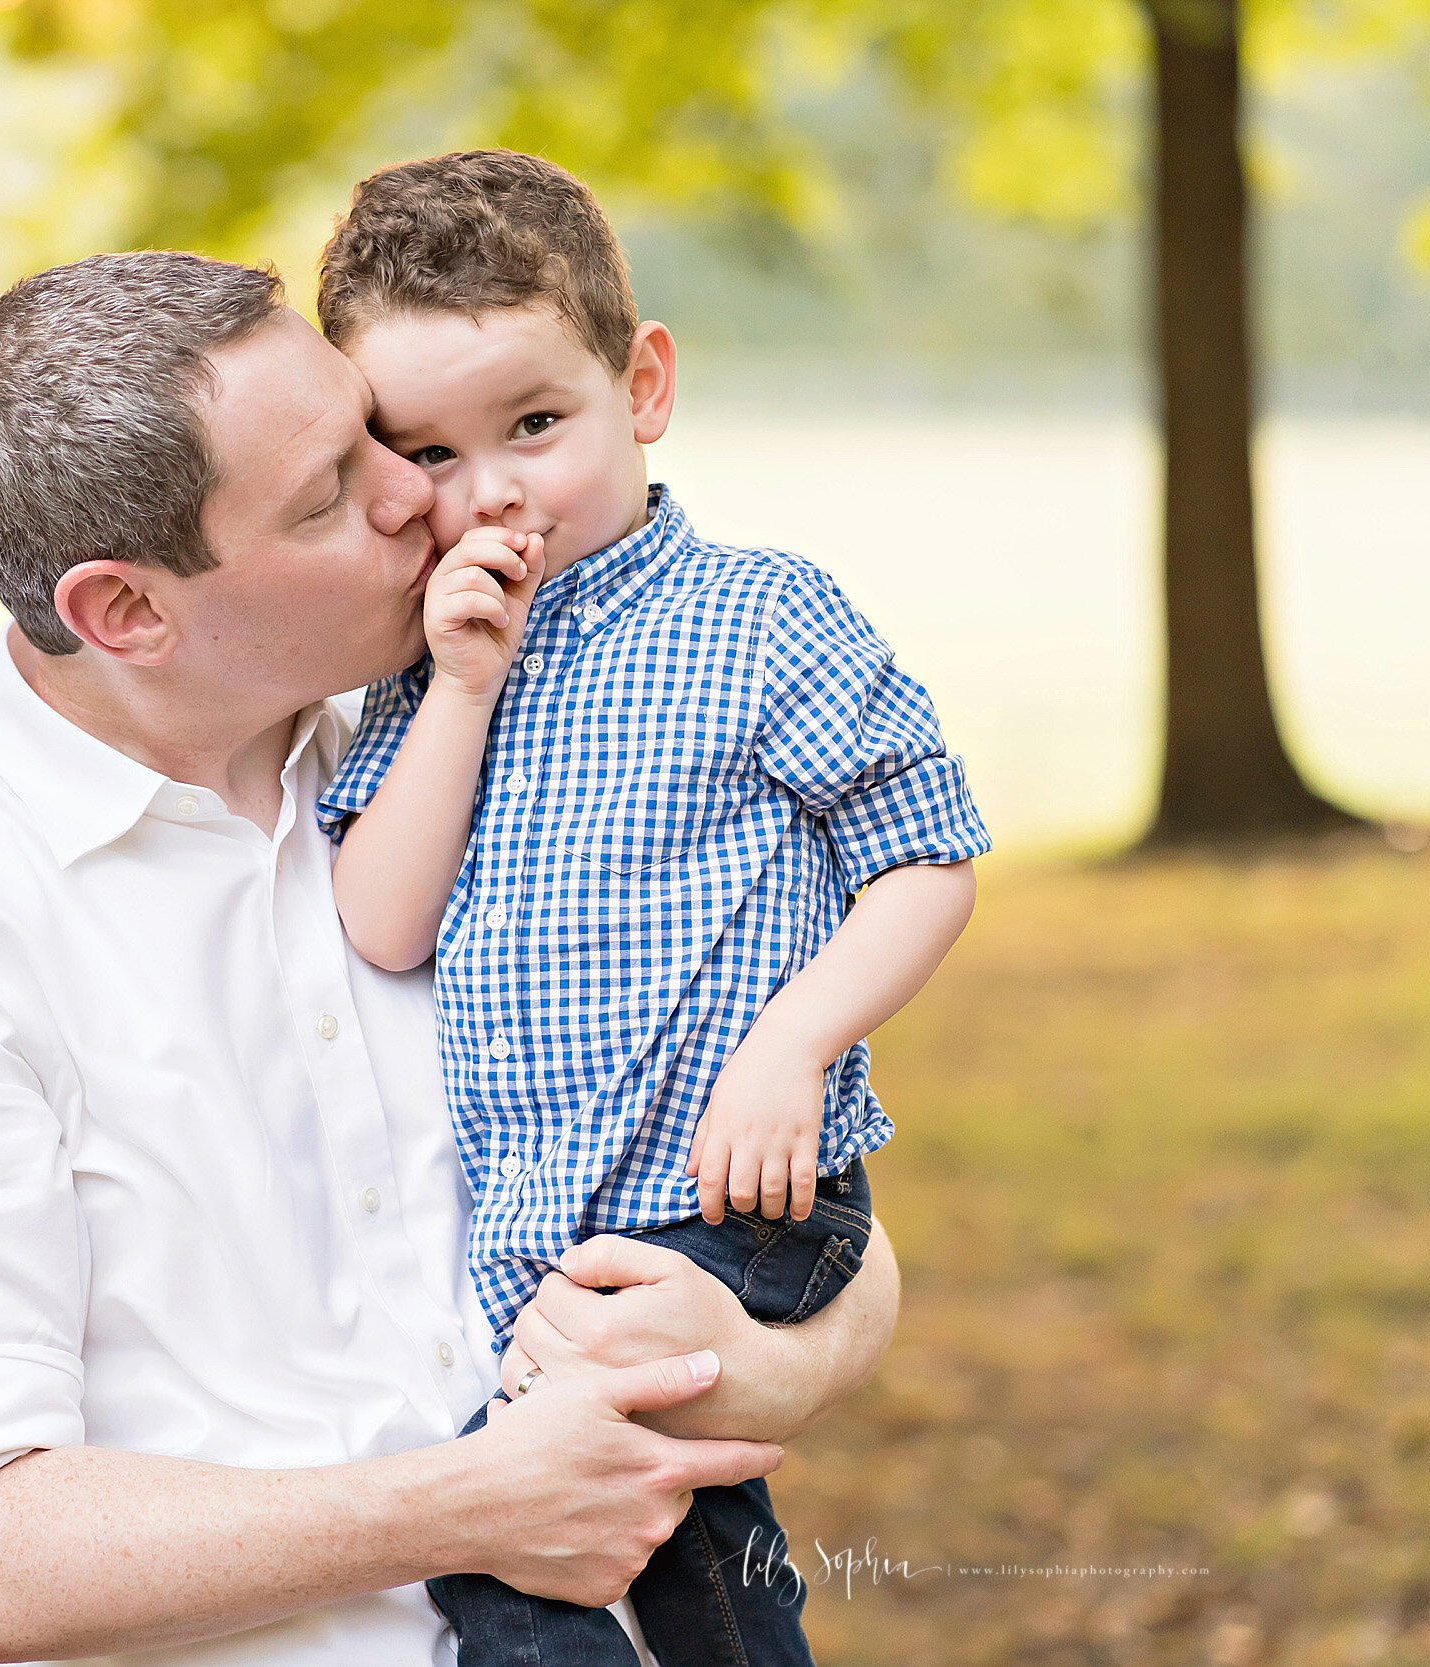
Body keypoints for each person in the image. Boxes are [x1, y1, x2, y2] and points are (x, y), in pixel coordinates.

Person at [0, 248, 903, 1667]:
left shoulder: (470, 762)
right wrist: (468, 1509)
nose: (420, 490)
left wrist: (769, 1360)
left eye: (372, 433)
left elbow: (813, 1215)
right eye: (329, 495)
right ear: (127, 613)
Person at [318, 152, 991, 1666]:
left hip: (741, 1203)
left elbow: (928, 854)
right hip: (553, 1240)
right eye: (425, 451)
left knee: (510, 1564)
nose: (488, 491)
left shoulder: (762, 616)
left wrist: (792, 1045)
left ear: (644, 386)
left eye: (535, 425)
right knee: (688, 1554)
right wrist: (464, 687)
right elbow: (383, 923)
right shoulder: (424, 674)